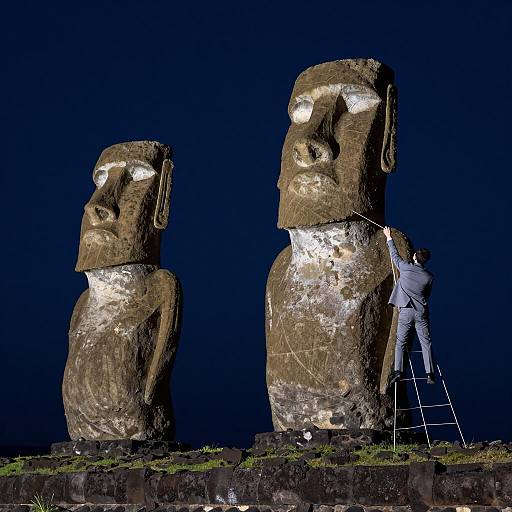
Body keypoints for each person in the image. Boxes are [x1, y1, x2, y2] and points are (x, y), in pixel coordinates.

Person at [383, 226, 435, 385]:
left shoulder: (406, 268)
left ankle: (398, 371)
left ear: (414, 257)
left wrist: (388, 237)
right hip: (421, 311)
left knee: (401, 342)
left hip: (406, 310)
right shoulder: (429, 277)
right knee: (425, 343)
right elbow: (427, 294)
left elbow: (395, 256)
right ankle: (430, 374)